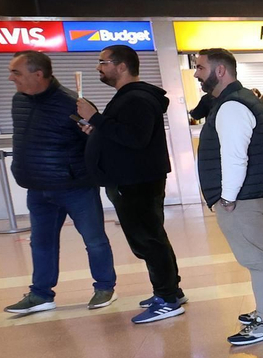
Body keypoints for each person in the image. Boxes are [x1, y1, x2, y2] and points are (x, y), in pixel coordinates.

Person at [2, 52, 117, 316]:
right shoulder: (19, 101)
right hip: (37, 187)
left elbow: (97, 142)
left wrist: (92, 132)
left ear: (38, 74)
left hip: (75, 186)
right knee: (41, 242)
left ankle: (105, 287)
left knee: (94, 240)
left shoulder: (72, 104)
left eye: (16, 73)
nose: (10, 78)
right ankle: (41, 294)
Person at [77, 44, 184, 324]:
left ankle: (167, 299)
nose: (99, 68)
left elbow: (136, 138)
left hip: (136, 181)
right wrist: (97, 128)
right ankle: (171, 290)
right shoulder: (128, 98)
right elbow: (123, 134)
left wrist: (95, 117)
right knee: (152, 237)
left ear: (122, 66)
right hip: (133, 179)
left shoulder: (136, 98)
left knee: (148, 240)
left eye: (103, 62)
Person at [193, 48, 263, 347]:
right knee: (262, 252)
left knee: (254, 258)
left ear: (220, 70)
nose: (196, 74)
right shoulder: (239, 99)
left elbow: (234, 157)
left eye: (200, 67)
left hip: (242, 196)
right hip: (252, 192)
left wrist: (227, 197)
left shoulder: (232, 106)